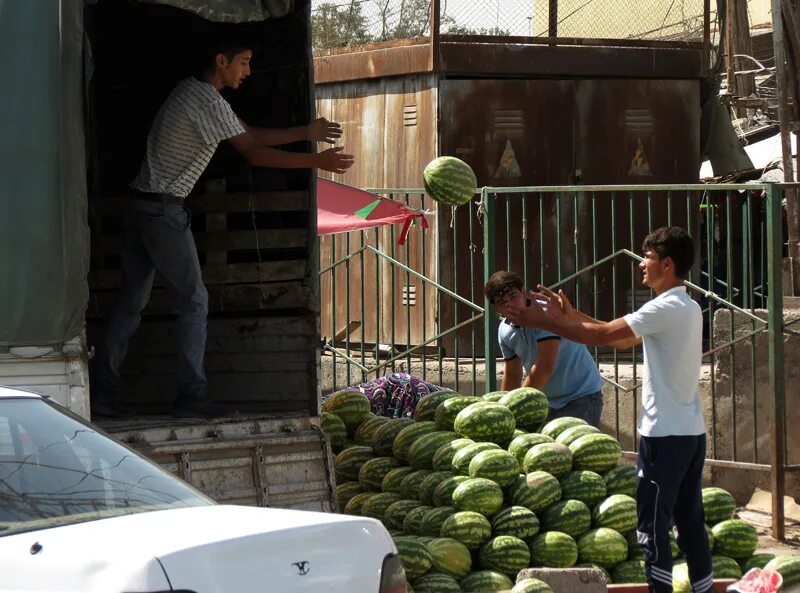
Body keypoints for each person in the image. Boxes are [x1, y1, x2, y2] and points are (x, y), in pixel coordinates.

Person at [91, 35, 354, 419]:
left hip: (142, 207)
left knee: (131, 304)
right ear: (221, 61)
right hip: (162, 213)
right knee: (194, 303)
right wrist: (317, 162)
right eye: (244, 61)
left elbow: (245, 133)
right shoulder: (205, 99)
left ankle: (104, 391)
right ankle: (190, 395)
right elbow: (253, 152)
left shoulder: (194, 94)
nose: (248, 71)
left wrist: (305, 133)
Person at [505, 227, 713, 593]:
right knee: (690, 523)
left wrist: (541, 321)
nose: (640, 265)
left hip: (663, 437)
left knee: (652, 527)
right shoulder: (688, 306)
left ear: (667, 263)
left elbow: (602, 338)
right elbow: (619, 337)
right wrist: (570, 316)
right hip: (691, 433)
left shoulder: (662, 307)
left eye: (646, 258)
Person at [484, 271, 604, 427]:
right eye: (502, 302)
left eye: (513, 296)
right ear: (495, 308)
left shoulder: (545, 313)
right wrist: (501, 409)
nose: (510, 305)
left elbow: (544, 367)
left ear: (524, 293)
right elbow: (513, 374)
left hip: (581, 397)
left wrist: (514, 407)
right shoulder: (504, 331)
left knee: (578, 450)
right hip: (546, 402)